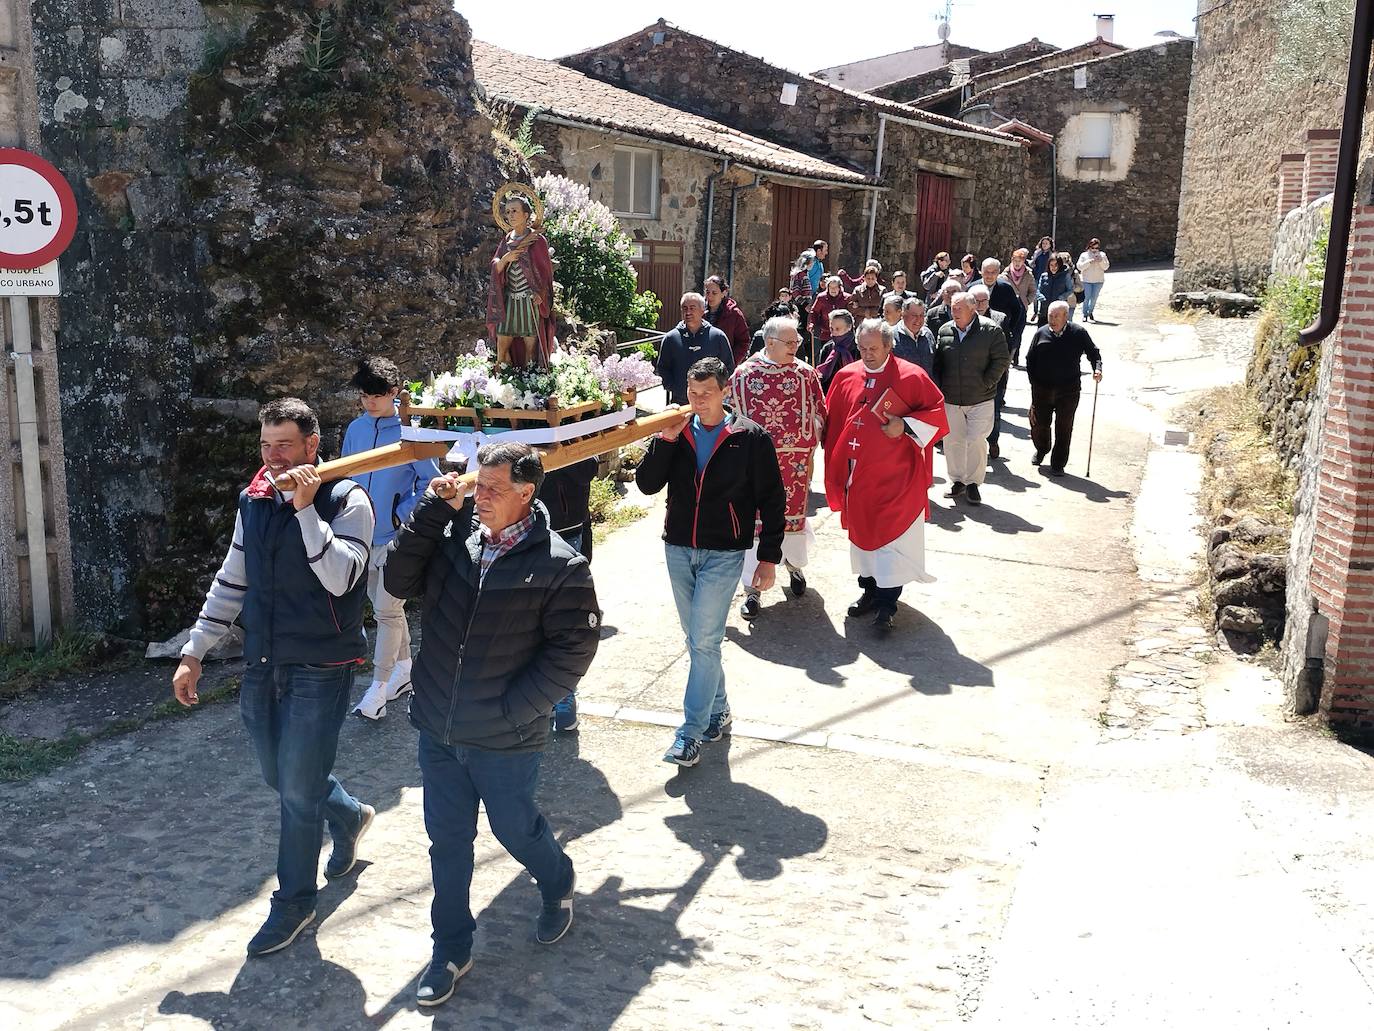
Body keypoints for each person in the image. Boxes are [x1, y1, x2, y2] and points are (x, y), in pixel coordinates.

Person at [384, 442, 600, 1007]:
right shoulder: (453, 540)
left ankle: (557, 881)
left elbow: (572, 651)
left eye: (493, 489)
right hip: (440, 730)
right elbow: (397, 580)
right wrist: (433, 512)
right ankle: (451, 948)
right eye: (478, 485)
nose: (479, 497)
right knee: (447, 844)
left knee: (514, 829)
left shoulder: (560, 564)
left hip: (506, 739)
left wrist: (514, 710)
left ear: (526, 494)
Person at [172, 398, 374, 958]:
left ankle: (295, 903)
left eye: (283, 445)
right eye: (264, 446)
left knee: (295, 793)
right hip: (264, 661)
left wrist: (307, 510)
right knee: (280, 777)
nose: (272, 457)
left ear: (313, 445)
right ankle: (350, 814)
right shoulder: (254, 501)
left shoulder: (348, 499)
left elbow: (340, 580)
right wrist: (194, 652)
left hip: (323, 665)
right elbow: (232, 580)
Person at [635, 358, 786, 767]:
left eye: (707, 394)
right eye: (692, 393)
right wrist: (665, 441)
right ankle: (718, 709)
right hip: (678, 547)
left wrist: (768, 558)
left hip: (724, 552)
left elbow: (773, 499)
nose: (698, 401)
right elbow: (647, 484)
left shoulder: (750, 437)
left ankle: (691, 732)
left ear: (725, 392)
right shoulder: (676, 431)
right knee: (698, 641)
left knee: (703, 642)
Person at [822, 319, 948, 630]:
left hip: (898, 478)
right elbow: (831, 420)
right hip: (859, 477)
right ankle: (869, 591)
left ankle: (887, 604)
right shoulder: (846, 376)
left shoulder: (912, 376)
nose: (867, 354)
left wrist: (904, 426)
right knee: (864, 538)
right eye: (862, 348)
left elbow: (937, 414)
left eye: (874, 349)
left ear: (889, 346)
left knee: (893, 541)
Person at [343, 357, 443, 721]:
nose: (370, 402)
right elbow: (345, 474)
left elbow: (431, 482)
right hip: (358, 534)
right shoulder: (355, 428)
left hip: (392, 537)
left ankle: (378, 690)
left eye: (377, 395)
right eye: (365, 395)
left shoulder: (411, 431)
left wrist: (401, 515)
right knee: (382, 606)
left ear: (394, 393)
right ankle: (404, 670)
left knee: (386, 610)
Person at [730, 315, 827, 620]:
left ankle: (794, 567)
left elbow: (820, 410)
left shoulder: (806, 374)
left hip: (793, 465)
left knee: (792, 521)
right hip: (754, 467)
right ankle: (752, 590)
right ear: (769, 343)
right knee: (754, 526)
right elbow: (730, 416)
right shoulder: (744, 374)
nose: (796, 346)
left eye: (797, 341)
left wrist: (811, 434)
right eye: (790, 342)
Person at [537, 456, 599, 733]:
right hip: (520, 526)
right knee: (528, 620)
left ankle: (563, 699)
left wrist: (553, 450)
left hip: (566, 531)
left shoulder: (574, 423)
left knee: (565, 623)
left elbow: (588, 467)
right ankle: (542, 701)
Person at [933, 292, 1009, 506]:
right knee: (952, 441)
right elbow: (938, 361)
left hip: (980, 398)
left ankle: (973, 483)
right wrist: (939, 387)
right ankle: (957, 481)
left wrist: (987, 383)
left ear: (972, 309)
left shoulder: (991, 330)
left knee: (976, 440)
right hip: (951, 397)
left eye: (959, 308)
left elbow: (1002, 359)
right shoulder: (944, 330)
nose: (954, 312)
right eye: (952, 308)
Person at [1025, 301, 1104, 476]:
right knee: (1040, 425)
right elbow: (1030, 359)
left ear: (1066, 317)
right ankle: (1042, 449)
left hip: (1068, 390)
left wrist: (1097, 369)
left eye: (1056, 316)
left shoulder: (1078, 333)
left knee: (1064, 427)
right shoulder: (1041, 333)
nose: (1052, 320)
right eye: (1050, 316)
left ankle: (1058, 463)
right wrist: (1034, 383)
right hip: (1042, 390)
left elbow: (1093, 353)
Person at [487, 194, 556, 367]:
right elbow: (496, 265)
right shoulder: (506, 241)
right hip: (509, 300)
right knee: (502, 344)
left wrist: (540, 293)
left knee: (530, 348)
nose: (510, 215)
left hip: (528, 301)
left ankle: (530, 381)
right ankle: (502, 379)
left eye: (514, 211)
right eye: (508, 211)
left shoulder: (537, 240)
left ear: (526, 215)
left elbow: (545, 273)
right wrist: (505, 259)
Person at [977, 259, 1026, 463]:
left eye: (992, 272)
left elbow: (1019, 314)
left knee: (994, 404)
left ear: (998, 273)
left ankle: (993, 440)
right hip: (974, 359)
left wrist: (1012, 339)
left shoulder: (1005, 289)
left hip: (998, 354)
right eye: (986, 271)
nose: (988, 275)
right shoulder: (973, 289)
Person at [655, 292, 734, 405]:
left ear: (702, 310)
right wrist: (674, 388)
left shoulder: (717, 337)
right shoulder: (671, 338)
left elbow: (728, 367)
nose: (688, 312)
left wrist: (717, 389)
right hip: (680, 401)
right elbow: (662, 367)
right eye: (685, 308)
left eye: (692, 308)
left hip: (711, 402)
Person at [703, 274, 752, 366]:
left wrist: (731, 362)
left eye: (714, 293)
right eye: (707, 292)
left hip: (723, 367)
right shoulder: (700, 311)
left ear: (723, 293)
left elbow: (743, 342)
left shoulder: (734, 314)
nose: (710, 296)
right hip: (702, 365)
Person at [1003, 247, 1038, 366]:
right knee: (1008, 332)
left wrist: (1027, 301)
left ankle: (1015, 355)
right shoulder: (1005, 274)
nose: (1017, 263)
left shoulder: (1028, 274)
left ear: (1024, 261)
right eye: (1015, 261)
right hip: (1008, 308)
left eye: (1020, 261)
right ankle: (1006, 355)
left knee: (1018, 333)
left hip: (1022, 308)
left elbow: (1033, 291)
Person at [817, 309, 859, 393]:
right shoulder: (828, 348)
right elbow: (821, 376)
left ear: (849, 327)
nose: (834, 333)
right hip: (831, 392)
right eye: (831, 329)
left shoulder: (859, 347)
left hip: (854, 390)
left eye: (837, 329)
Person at [809, 275, 852, 356]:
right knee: (825, 354)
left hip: (842, 334)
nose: (833, 290)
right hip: (825, 332)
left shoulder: (847, 298)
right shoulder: (821, 298)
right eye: (831, 287)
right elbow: (814, 311)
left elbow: (851, 315)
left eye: (835, 287)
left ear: (840, 287)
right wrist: (813, 323)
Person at [893, 297, 936, 377]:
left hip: (926, 387)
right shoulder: (891, 337)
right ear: (902, 315)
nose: (918, 320)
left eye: (921, 315)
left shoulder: (928, 334)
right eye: (914, 315)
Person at [1076, 238, 1110, 322]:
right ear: (1089, 247)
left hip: (1098, 281)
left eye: (1096, 248)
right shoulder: (1084, 255)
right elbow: (1079, 266)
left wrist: (1100, 261)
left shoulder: (1102, 255)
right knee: (1086, 297)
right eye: (1093, 248)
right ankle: (1085, 314)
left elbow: (1106, 267)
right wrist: (1089, 262)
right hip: (1086, 280)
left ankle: (1090, 312)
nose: (1094, 250)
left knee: (1094, 298)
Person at [1037, 253, 1075, 326]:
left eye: (1056, 265)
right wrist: (1040, 296)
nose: (1053, 267)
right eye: (1051, 265)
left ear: (1060, 265)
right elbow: (1038, 290)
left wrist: (1062, 297)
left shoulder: (1065, 275)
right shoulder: (1044, 276)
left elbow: (1070, 290)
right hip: (1044, 310)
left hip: (1059, 311)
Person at [1031, 236, 1055, 323]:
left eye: (1046, 244)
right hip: (1036, 276)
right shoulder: (1037, 253)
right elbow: (1033, 263)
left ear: (1050, 245)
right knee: (1035, 295)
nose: (1044, 245)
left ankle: (1042, 313)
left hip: (1046, 278)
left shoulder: (1052, 255)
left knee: (1043, 295)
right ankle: (1035, 311)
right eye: (1043, 243)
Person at [1062, 251, 1084, 321]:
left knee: (1069, 321)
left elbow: (1080, 287)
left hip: (1071, 301)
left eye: (1066, 260)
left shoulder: (1074, 273)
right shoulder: (1054, 272)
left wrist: (1072, 288)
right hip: (1058, 301)